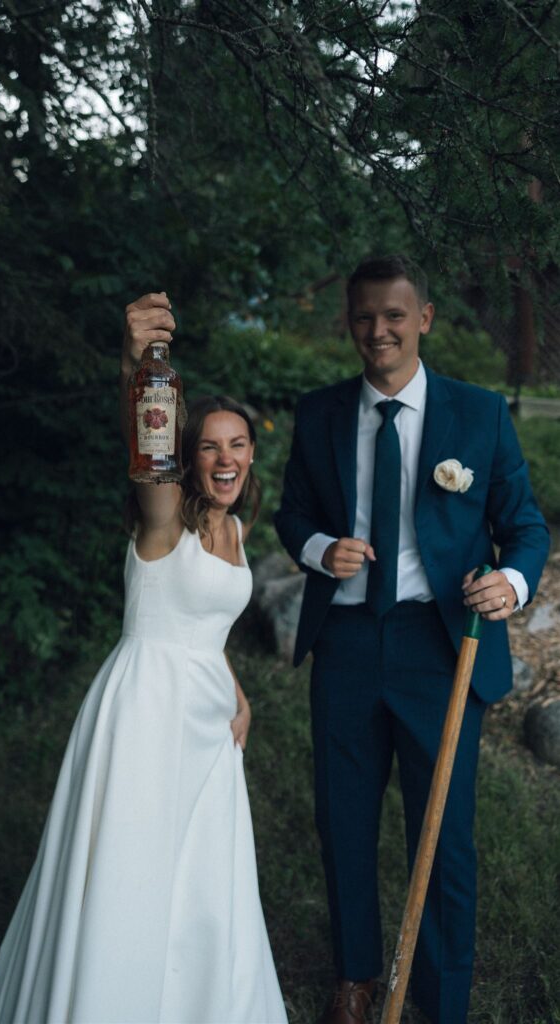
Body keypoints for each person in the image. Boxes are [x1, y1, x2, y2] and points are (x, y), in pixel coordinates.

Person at [0, 292, 288, 1024]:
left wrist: (238, 694)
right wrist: (134, 368)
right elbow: (148, 446)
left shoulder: (236, 530)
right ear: (184, 454)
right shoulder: (163, 517)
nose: (225, 458)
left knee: (203, 886)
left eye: (237, 444)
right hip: (146, 711)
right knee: (130, 876)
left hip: (210, 724)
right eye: (208, 445)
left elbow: (204, 622)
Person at [274, 255, 549, 1024]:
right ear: (348, 323)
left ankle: (439, 993)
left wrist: (513, 584)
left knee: (443, 833)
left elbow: (523, 527)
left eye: (394, 315)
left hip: (441, 648)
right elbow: (291, 514)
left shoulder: (478, 413)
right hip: (350, 643)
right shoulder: (320, 412)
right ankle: (356, 978)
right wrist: (317, 548)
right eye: (363, 316)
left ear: (422, 318)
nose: (378, 331)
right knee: (344, 819)